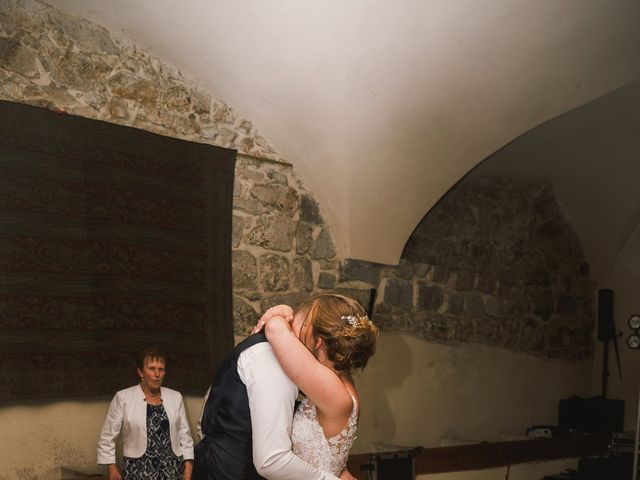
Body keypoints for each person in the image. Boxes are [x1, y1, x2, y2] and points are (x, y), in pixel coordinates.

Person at [192, 302, 355, 480]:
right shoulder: (271, 360)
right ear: (318, 342)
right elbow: (272, 460)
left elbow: (206, 418)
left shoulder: (267, 350)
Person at [254, 294, 378, 477]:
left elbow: (274, 329)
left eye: (304, 326)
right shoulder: (341, 383)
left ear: (318, 341)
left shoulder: (331, 388)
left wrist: (282, 313)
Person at [97, 347, 194, 480]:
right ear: (141, 372)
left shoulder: (176, 397)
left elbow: (185, 435)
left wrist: (188, 468)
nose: (157, 374)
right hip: (137, 470)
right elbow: (107, 437)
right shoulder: (123, 398)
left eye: (161, 369)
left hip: (172, 470)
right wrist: (112, 468)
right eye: (152, 368)